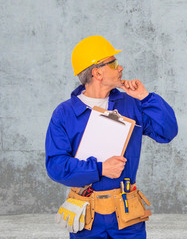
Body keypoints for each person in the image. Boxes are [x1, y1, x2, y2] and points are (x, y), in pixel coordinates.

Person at [45, 35, 178, 238]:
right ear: (97, 72)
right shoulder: (65, 113)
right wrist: (101, 168)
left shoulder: (130, 104)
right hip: (86, 216)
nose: (120, 68)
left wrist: (145, 97)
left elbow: (167, 132)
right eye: (113, 63)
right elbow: (56, 166)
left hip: (126, 214)